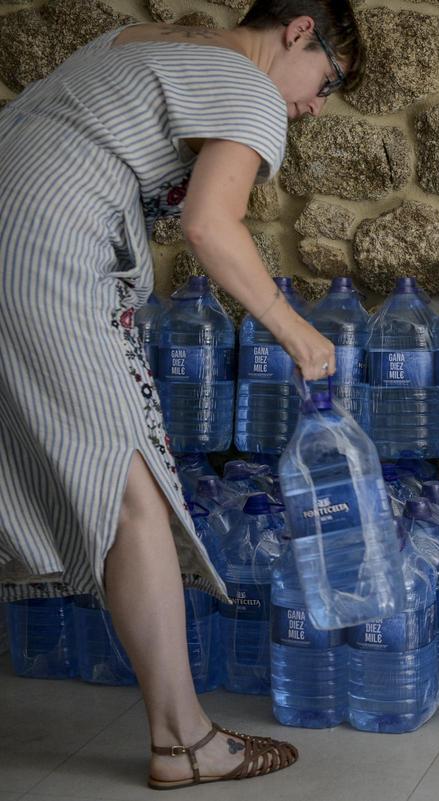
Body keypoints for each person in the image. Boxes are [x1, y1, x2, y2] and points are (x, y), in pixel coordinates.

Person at [0, 0, 361, 789]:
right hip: (44, 252)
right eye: (328, 80)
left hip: (11, 229)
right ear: (300, 29)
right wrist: (292, 328)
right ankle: (183, 741)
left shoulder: (139, 43)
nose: (315, 104)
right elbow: (209, 225)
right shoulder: (251, 86)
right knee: (133, 487)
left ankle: (180, 735)